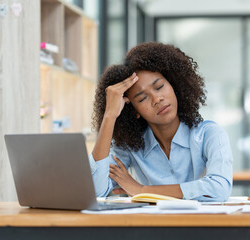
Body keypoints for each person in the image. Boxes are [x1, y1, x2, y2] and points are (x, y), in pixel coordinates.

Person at [90, 42, 233, 202]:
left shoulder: (210, 135)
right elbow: (95, 191)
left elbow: (219, 188)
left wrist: (142, 190)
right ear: (134, 110)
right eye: (143, 98)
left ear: (174, 84)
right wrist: (110, 116)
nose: (157, 99)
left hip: (200, 226)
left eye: (159, 87)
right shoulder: (130, 147)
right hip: (151, 227)